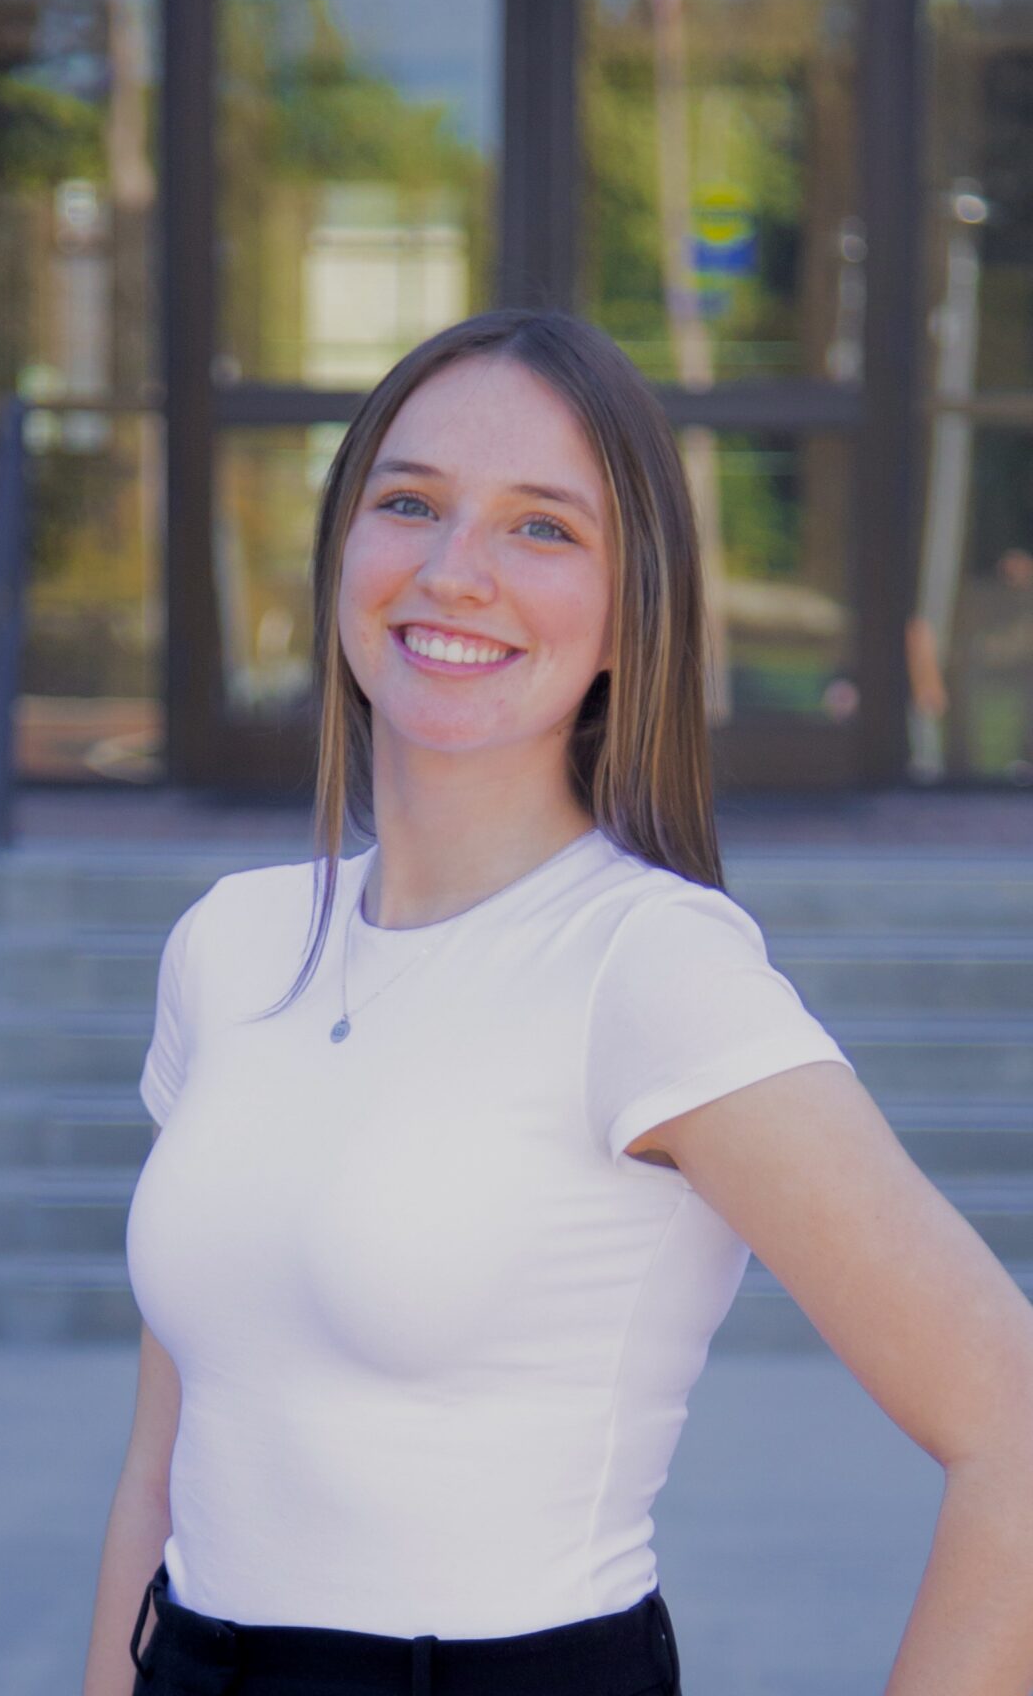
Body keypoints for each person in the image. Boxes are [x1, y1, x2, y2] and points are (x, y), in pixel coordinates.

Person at [82, 310, 1033, 1696]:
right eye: (409, 503)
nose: (454, 572)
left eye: (543, 528)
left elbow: (1010, 1420)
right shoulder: (232, 946)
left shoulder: (650, 969)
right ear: (344, 549)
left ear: (627, 611)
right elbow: (167, 1463)